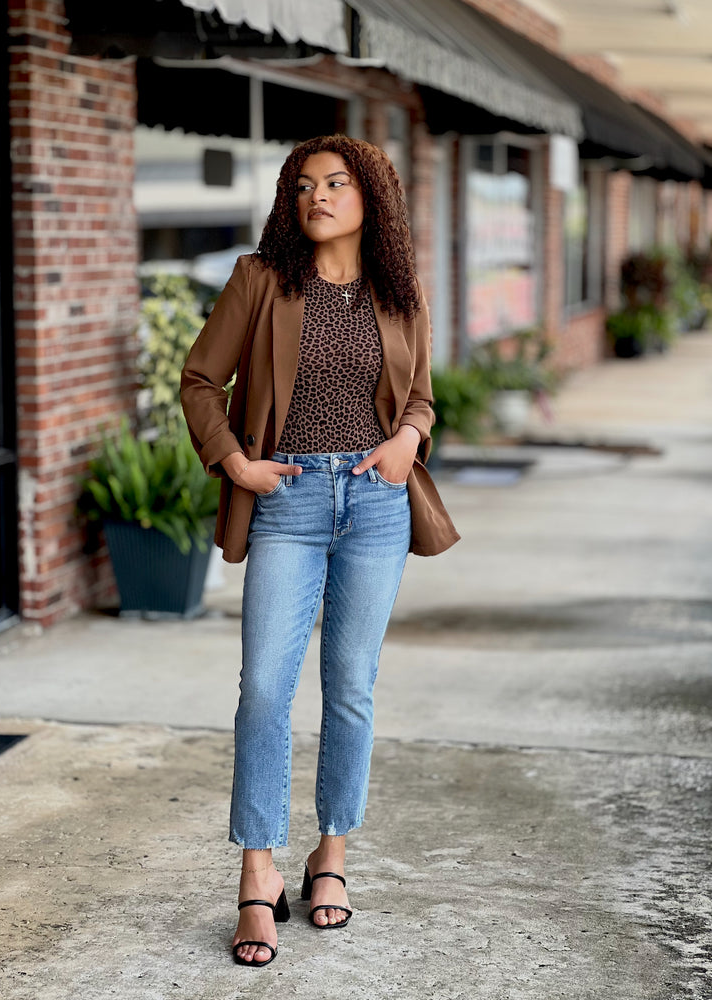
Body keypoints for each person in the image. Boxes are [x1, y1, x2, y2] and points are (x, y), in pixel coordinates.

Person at [181, 134, 459, 968]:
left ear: (370, 197)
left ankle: (329, 855)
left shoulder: (399, 290)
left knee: (350, 689)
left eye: (335, 183)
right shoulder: (260, 280)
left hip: (374, 503)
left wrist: (407, 439)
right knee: (265, 690)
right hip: (288, 502)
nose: (317, 198)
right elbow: (199, 380)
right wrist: (235, 464)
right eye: (302, 186)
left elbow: (420, 400)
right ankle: (256, 874)